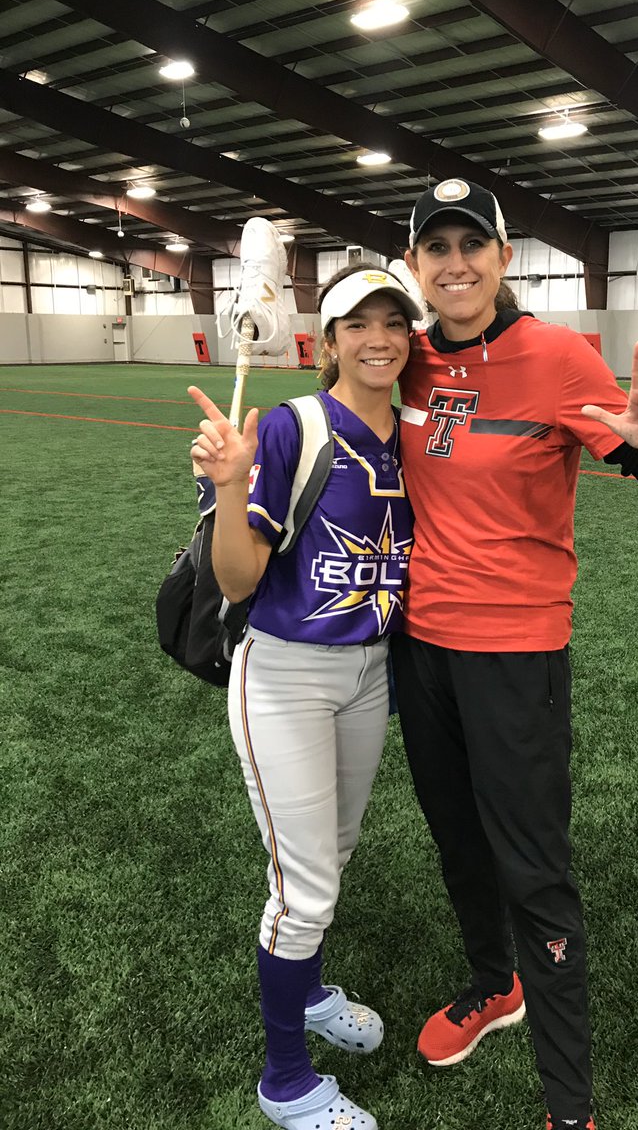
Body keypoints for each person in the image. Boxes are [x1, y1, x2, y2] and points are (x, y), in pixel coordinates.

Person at [390, 178, 638, 1130]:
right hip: (421, 647)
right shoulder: (407, 360)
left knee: (535, 866)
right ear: (415, 268)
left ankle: (570, 1106)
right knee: (455, 835)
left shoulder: (558, 357)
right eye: (435, 249)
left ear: (505, 258)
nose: (456, 264)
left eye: (471, 245)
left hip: (515, 649)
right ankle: (495, 985)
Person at [188, 261, 422, 1130]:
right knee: (304, 887)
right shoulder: (295, 426)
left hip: (369, 674)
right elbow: (240, 580)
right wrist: (230, 486)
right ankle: (284, 1080)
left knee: (335, 850)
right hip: (286, 672)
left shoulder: (412, 431)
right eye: (358, 325)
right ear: (328, 343)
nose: (378, 340)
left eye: (394, 324)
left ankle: (312, 987)